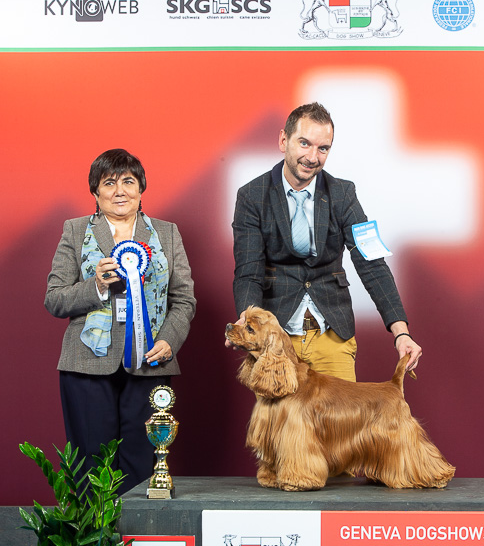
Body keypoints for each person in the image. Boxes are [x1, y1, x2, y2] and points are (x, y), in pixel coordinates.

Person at [229, 102, 421, 382]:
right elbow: (249, 271)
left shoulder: (343, 194)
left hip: (333, 333)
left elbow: (371, 263)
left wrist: (401, 332)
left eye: (323, 148)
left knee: (342, 414)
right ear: (283, 140)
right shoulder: (252, 196)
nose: (312, 157)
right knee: (278, 414)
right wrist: (247, 320)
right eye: (304, 143)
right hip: (276, 340)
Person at [45, 148, 196, 494]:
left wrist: (169, 340)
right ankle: (95, 533)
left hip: (150, 362)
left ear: (141, 188)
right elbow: (54, 298)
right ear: (95, 192)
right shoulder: (75, 231)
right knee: (89, 467)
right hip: (86, 367)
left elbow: (184, 299)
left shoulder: (167, 233)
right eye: (109, 183)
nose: (119, 191)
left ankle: (135, 533)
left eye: (128, 181)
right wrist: (96, 286)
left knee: (142, 465)